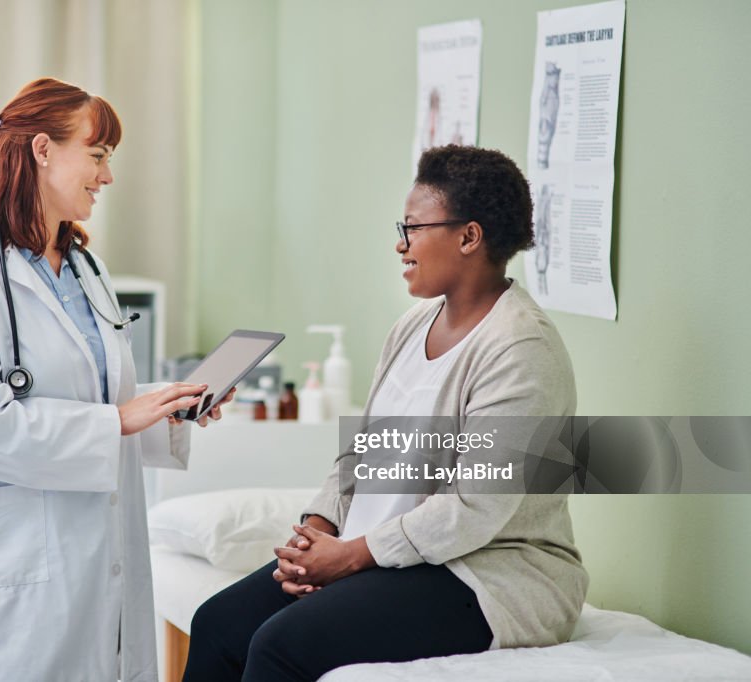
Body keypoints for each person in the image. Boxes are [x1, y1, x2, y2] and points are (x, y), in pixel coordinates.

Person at [184, 145, 589, 681]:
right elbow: (362, 453)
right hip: (390, 553)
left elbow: (473, 509)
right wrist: (317, 531)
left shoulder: (522, 349)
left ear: (469, 236)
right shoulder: (412, 327)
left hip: (485, 572)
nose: (400, 245)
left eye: (413, 228)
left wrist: (349, 556)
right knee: (217, 623)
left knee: (282, 645)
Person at [0, 77, 228, 682]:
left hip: (100, 557)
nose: (107, 176)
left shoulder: (87, 270)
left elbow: (104, 400)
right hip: (15, 571)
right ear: (41, 150)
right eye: (97, 154)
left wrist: (169, 408)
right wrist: (119, 419)